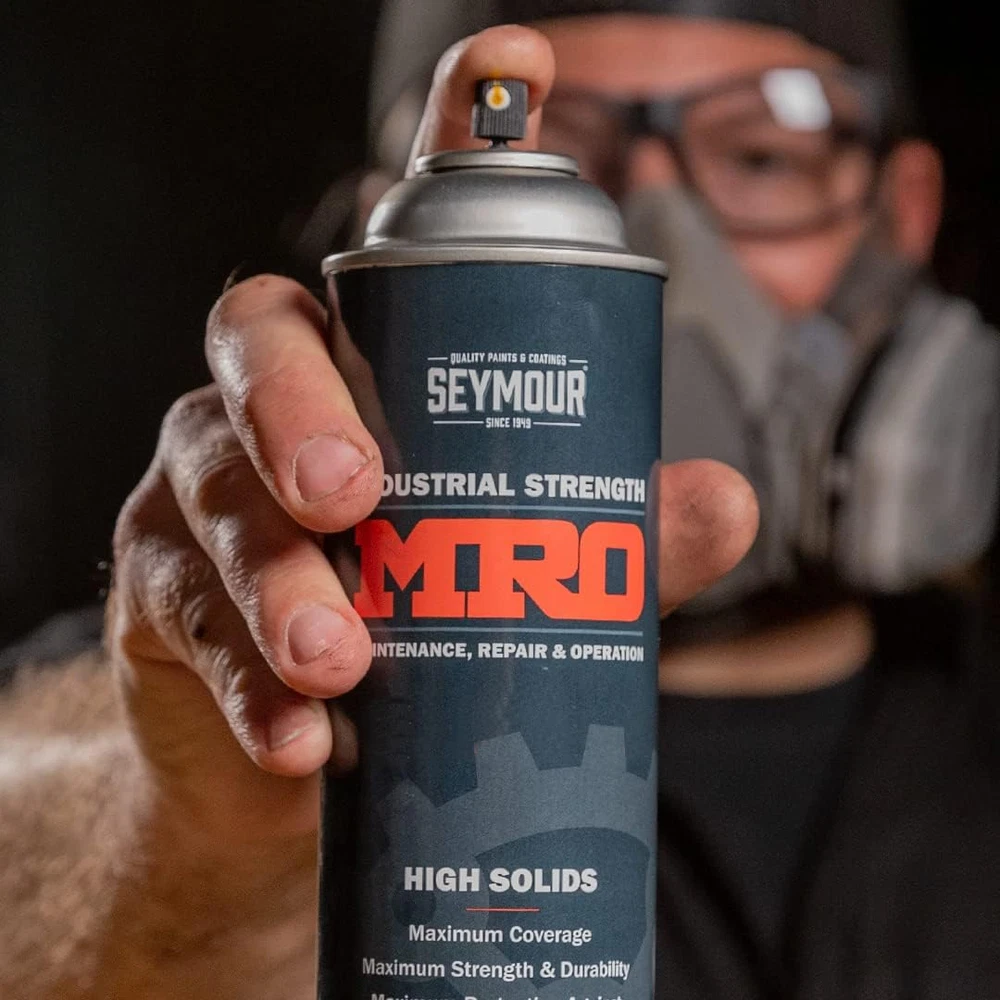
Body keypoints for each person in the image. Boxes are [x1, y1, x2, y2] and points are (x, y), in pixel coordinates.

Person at [1, 1, 999, 997]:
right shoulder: (220, 661)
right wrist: (189, 844)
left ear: (902, 213)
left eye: (761, 157)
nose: (660, 232)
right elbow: (30, 802)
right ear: (382, 228)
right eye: (567, 153)